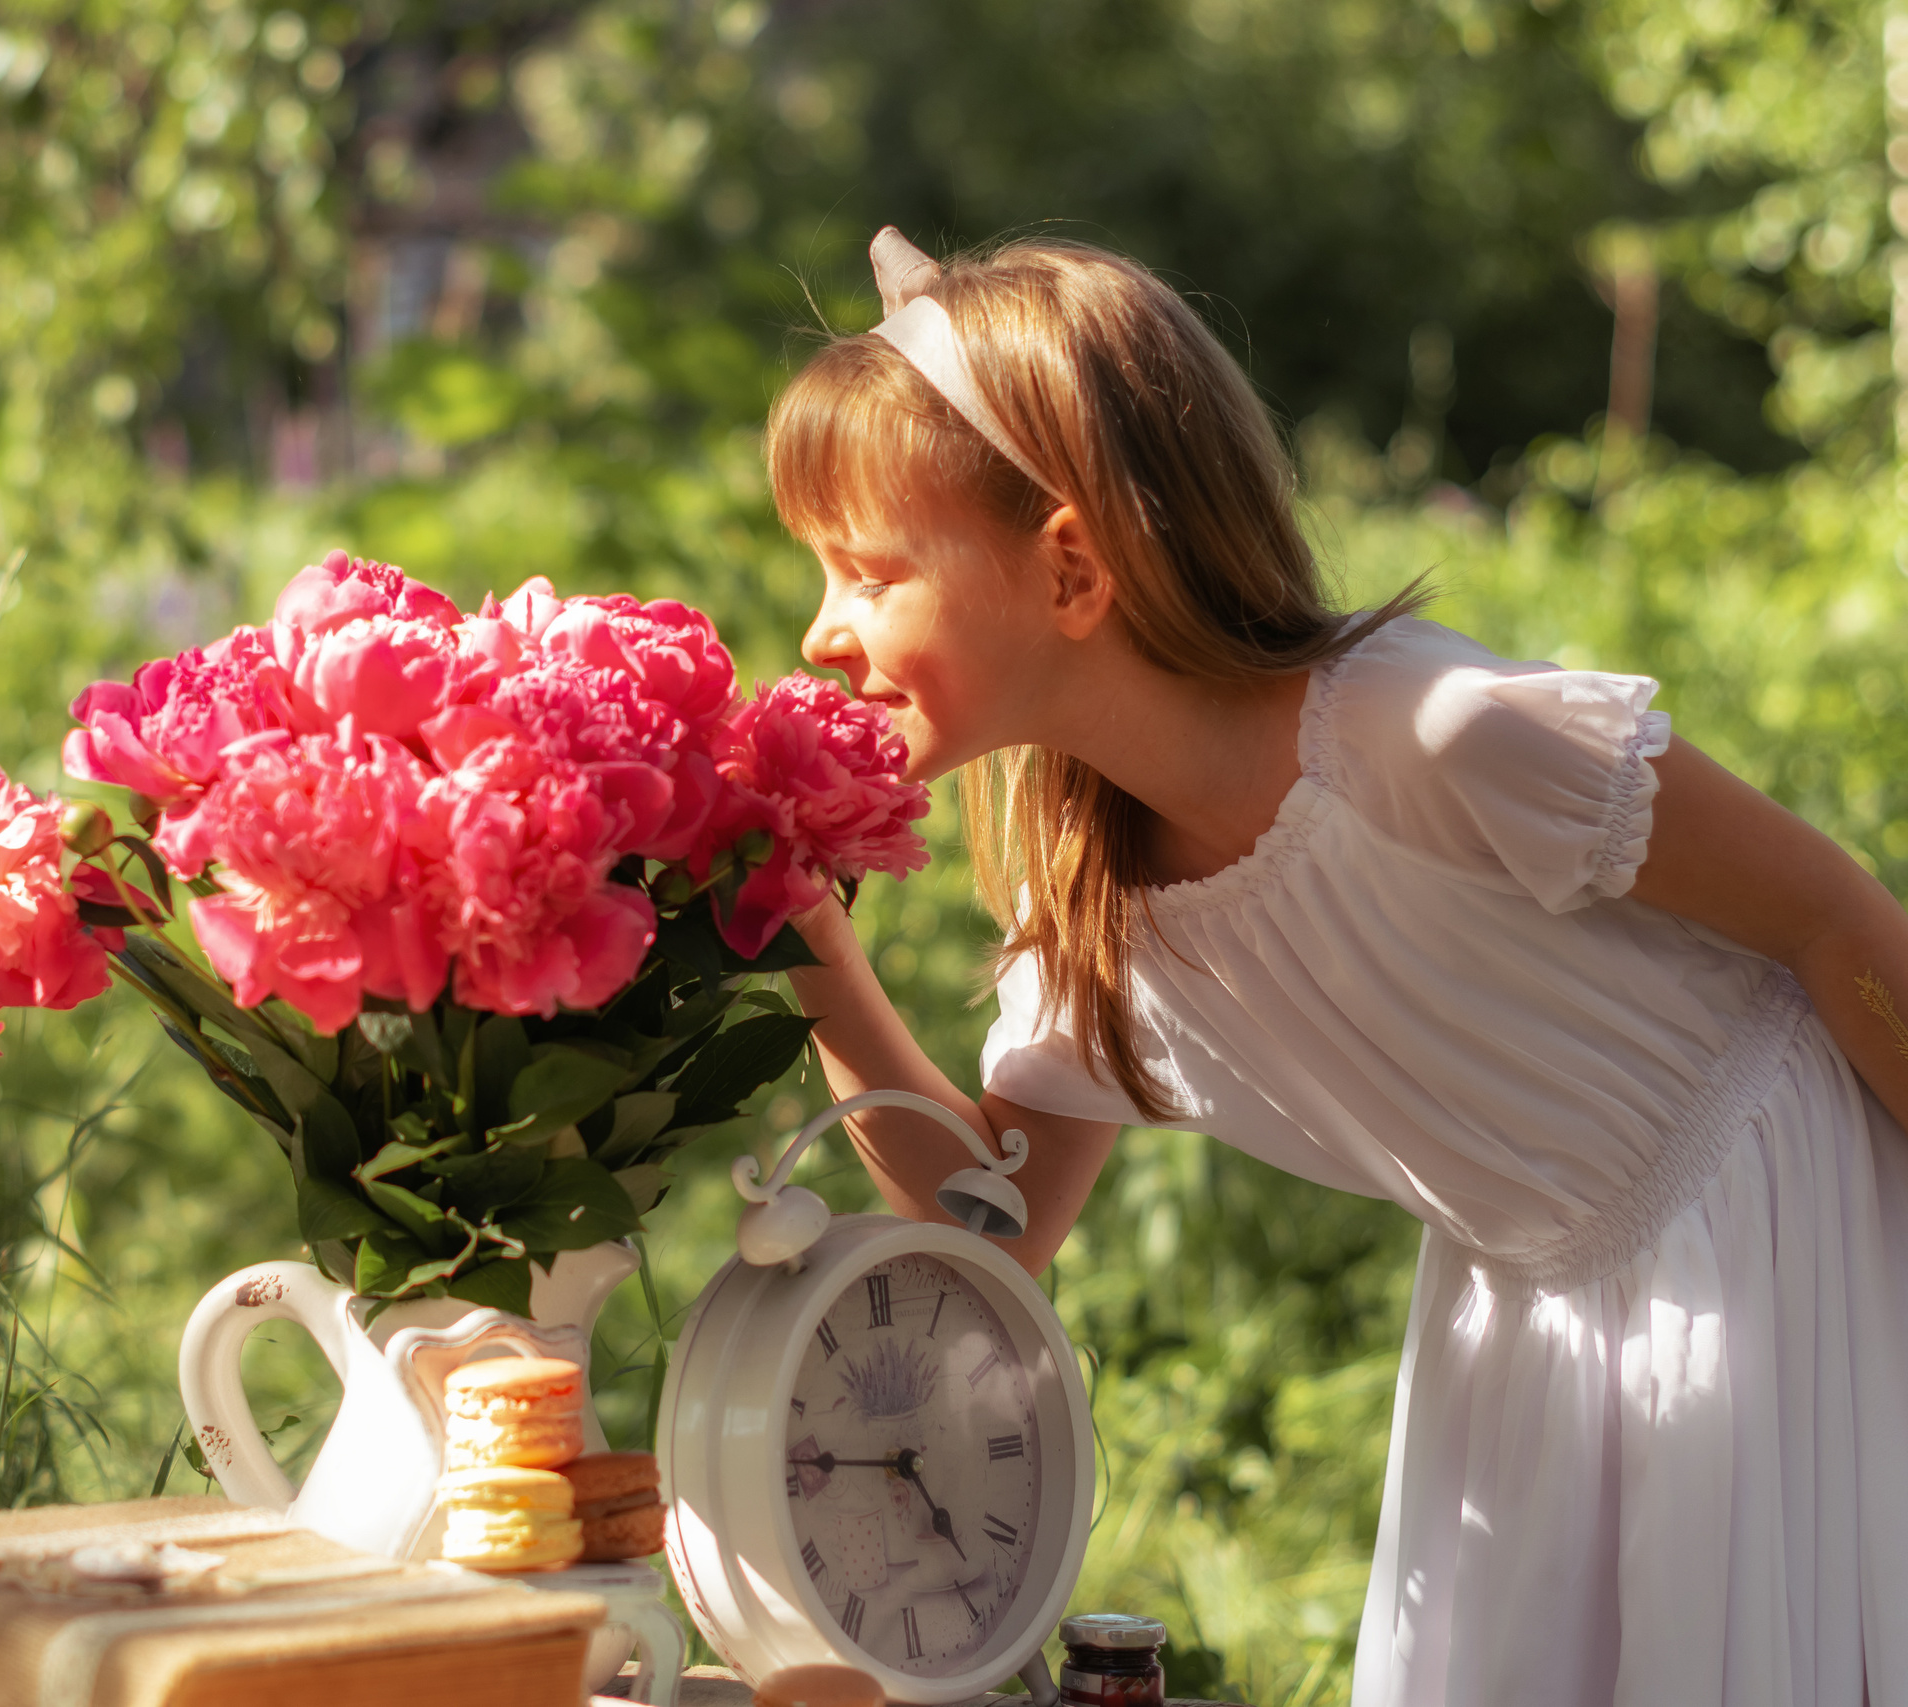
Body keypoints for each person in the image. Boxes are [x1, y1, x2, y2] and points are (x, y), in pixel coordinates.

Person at [775, 229, 1908, 1707]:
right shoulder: (1105, 909)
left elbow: (1833, 916)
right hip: (1529, 1320)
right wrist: (804, 938)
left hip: (1763, 1239)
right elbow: (989, 1238)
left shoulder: (1434, 738)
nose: (817, 632)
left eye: (865, 573)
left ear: (1069, 567)